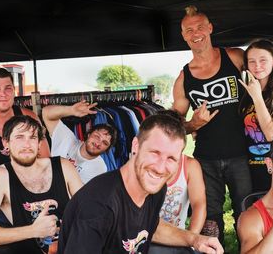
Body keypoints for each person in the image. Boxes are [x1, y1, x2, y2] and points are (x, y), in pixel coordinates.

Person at [172, 5, 273, 243]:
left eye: (200, 26)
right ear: (183, 35)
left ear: (210, 28)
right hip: (206, 158)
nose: (195, 32)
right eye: (188, 29)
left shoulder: (234, 57)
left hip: (241, 155)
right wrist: (192, 124)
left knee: (247, 211)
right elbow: (177, 124)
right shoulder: (183, 78)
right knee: (212, 218)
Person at [58, 113, 223, 254]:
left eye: (171, 158)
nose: (160, 168)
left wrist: (194, 239)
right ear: (136, 146)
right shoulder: (99, 205)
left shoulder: (156, 189)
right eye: (155, 153)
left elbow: (150, 226)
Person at [0, 115, 83, 254]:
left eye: (33, 137)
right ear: (6, 143)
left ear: (39, 143)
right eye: (19, 137)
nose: (27, 144)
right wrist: (33, 230)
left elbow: (89, 209)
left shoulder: (63, 166)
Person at [0, 67, 50, 183]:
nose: (3, 94)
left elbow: (46, 163)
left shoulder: (29, 116)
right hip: (0, 197)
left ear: (14, 91)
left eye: (8, 88)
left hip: (38, 188)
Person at [239, 39, 273, 192]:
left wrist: (257, 97)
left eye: (263, 60)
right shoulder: (244, 91)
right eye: (252, 61)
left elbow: (272, 134)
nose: (257, 66)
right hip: (251, 166)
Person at [42, 101, 117, 183]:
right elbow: (46, 113)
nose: (98, 143)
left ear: (107, 149)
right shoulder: (67, 139)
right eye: (97, 136)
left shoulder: (99, 168)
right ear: (88, 134)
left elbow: (80, 194)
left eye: (105, 143)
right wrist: (70, 110)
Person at [149, 153, 206, 254]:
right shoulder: (144, 165)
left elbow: (199, 205)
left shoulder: (190, 165)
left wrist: (191, 239)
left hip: (178, 239)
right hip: (148, 238)